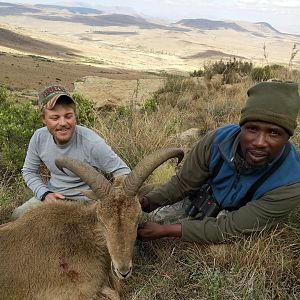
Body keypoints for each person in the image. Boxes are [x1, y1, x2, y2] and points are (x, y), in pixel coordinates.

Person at [137, 80, 300, 244]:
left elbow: (231, 228)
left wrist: (167, 231)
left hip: (239, 218)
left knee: (223, 246)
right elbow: (183, 184)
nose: (259, 142)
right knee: (150, 219)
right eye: (252, 129)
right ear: (241, 126)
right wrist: (147, 202)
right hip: (204, 199)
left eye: (273, 133)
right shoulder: (216, 141)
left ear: (287, 137)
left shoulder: (291, 182)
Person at [12, 84, 130, 219]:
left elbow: (124, 172)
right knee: (17, 216)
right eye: (55, 118)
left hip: (88, 203)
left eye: (68, 116)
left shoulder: (92, 142)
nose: (63, 123)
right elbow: (29, 171)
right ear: (44, 119)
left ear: (75, 116)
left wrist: (112, 200)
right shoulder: (39, 137)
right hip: (53, 198)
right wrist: (44, 194)